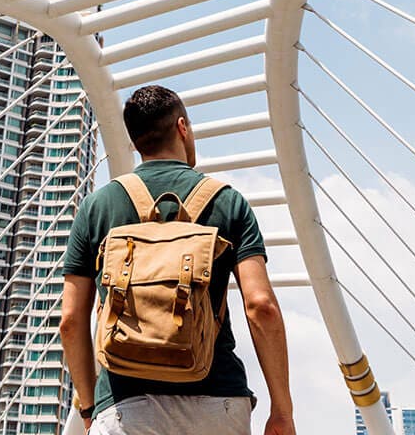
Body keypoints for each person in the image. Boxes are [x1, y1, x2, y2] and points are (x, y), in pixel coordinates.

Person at [60, 85, 295, 435]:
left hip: (125, 406)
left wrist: (91, 407)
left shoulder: (98, 206)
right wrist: (282, 409)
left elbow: (71, 322)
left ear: (137, 141)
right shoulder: (228, 202)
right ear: (182, 127)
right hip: (219, 403)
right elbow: (261, 306)